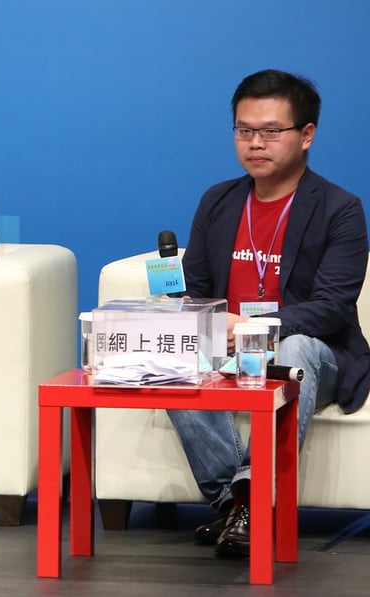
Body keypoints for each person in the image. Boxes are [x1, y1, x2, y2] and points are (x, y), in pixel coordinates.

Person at [172, 69, 370, 557]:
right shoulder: (217, 201)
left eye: (270, 131)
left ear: (306, 135)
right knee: (173, 352)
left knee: (295, 347)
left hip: (311, 353)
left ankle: (246, 501)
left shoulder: (340, 209)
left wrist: (256, 328)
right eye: (244, 130)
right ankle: (241, 504)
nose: (255, 143)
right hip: (227, 351)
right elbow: (194, 291)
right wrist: (209, 325)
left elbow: (331, 308)